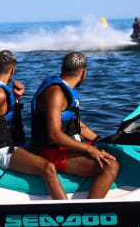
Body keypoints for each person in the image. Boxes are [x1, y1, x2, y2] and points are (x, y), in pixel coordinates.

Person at [0, 50, 67, 200]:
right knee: (48, 168)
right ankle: (67, 212)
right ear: (13, 69)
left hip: (1, 146)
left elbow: (0, 118)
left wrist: (16, 99)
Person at [31, 52, 119, 199]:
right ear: (83, 73)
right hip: (49, 151)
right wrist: (89, 149)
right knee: (110, 166)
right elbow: (54, 135)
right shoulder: (56, 93)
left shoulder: (67, 89)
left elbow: (74, 122)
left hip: (64, 146)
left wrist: (99, 140)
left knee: (108, 149)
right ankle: (90, 214)